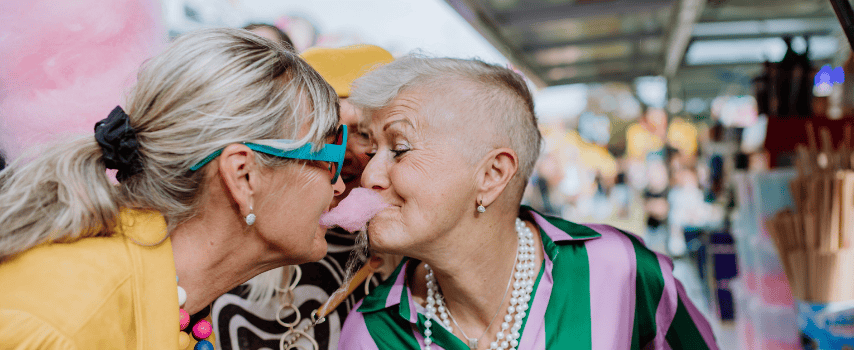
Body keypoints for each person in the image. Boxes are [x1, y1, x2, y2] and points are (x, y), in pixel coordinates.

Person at [339, 56, 720, 349]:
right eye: (373, 151)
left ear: (492, 174)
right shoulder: (370, 334)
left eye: (399, 149)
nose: (369, 176)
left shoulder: (621, 269)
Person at [0, 28, 345, 349]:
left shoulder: (179, 306)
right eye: (331, 158)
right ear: (243, 176)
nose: (341, 185)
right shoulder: (61, 324)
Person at [211, 44, 394, 350]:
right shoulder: (241, 225)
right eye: (326, 134)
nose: (342, 153)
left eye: (362, 133)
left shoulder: (397, 265)